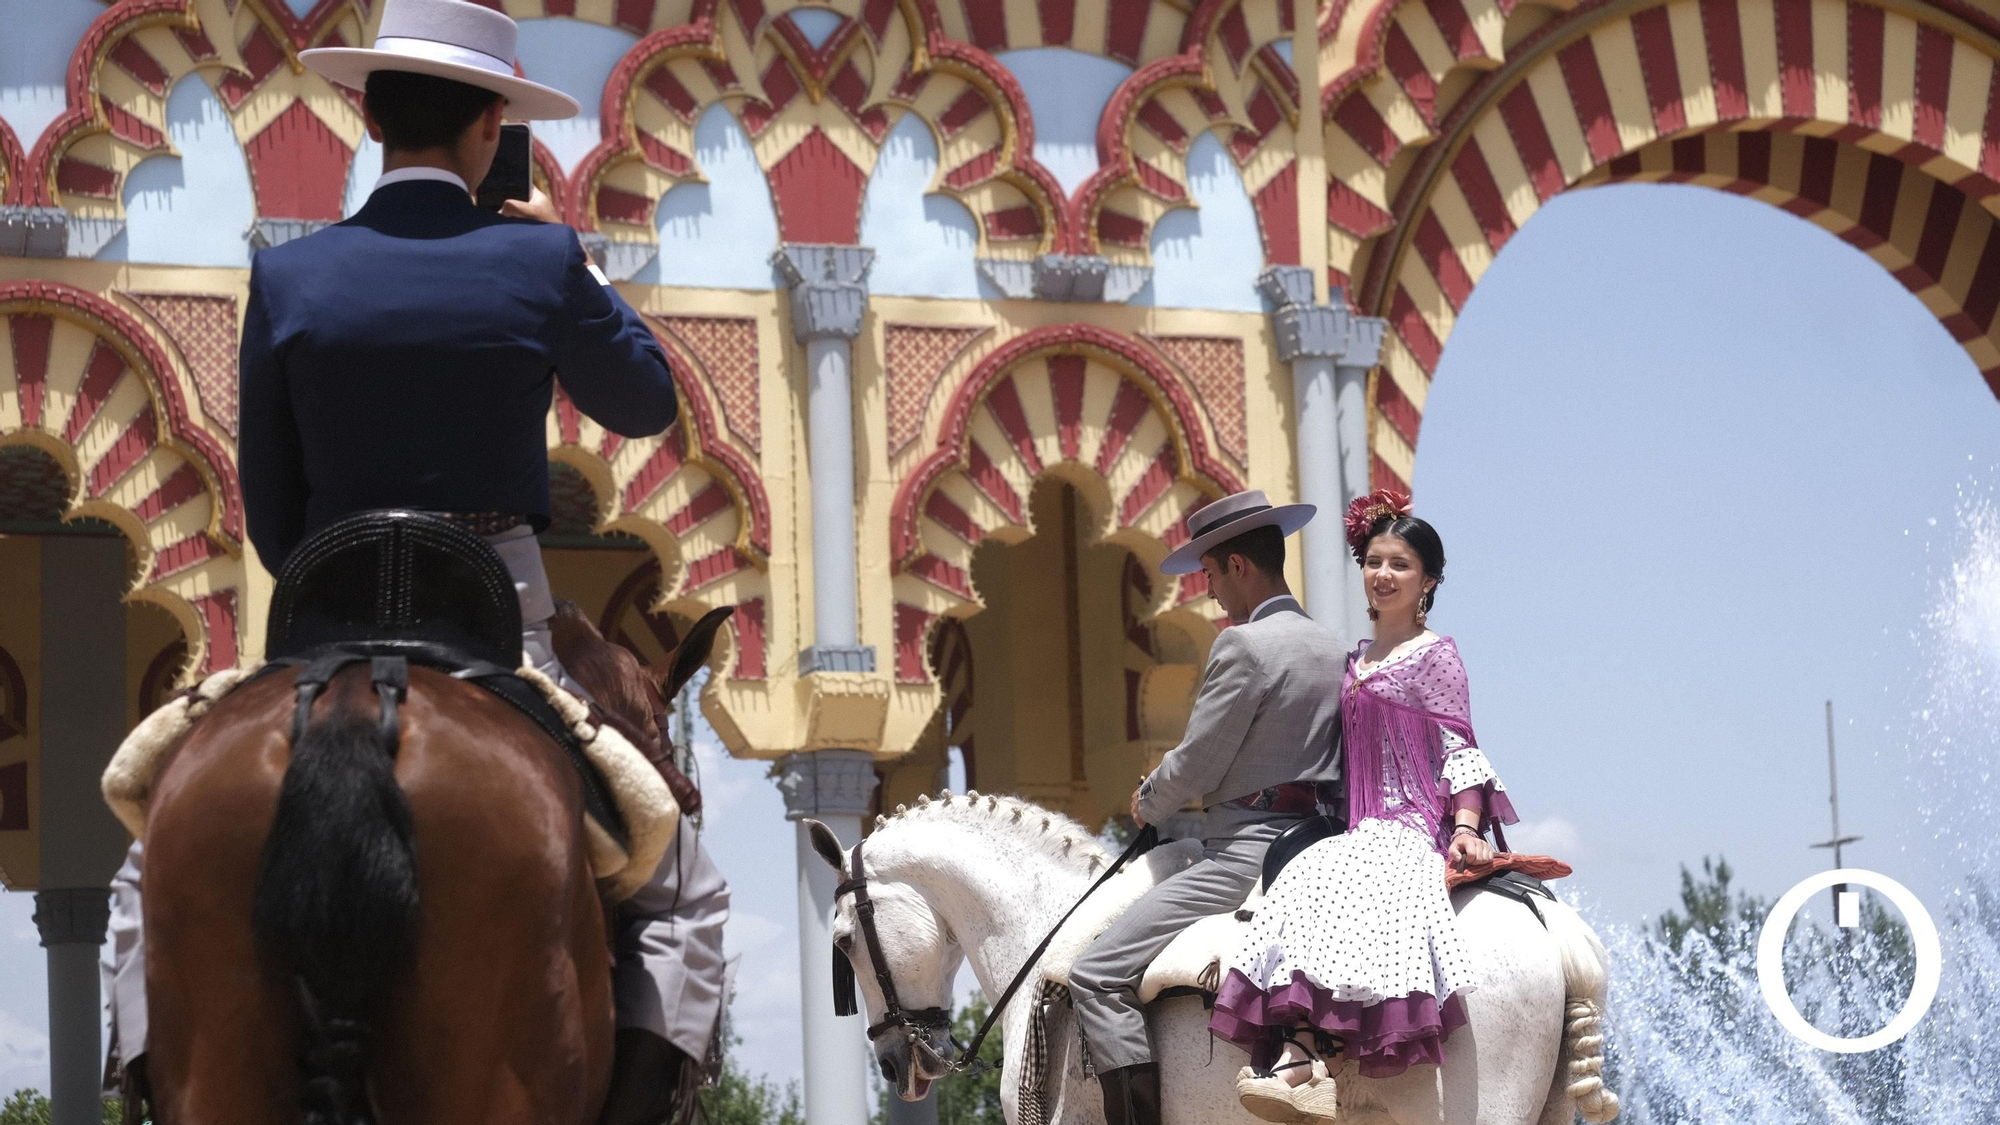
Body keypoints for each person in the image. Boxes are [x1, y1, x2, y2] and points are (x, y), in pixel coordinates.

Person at [105, 2, 704, 1120]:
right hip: (501, 622)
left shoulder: (289, 278)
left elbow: (273, 514)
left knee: (149, 867)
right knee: (682, 885)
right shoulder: (536, 261)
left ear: (370, 115)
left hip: (321, 617)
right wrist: (570, 261)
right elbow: (645, 401)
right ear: (491, 128)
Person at [1207, 490, 1519, 1123]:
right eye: (1374, 561)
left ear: (1428, 580)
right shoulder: (1354, 661)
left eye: (1400, 565)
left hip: (1410, 823)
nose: (1383, 575)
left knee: (1339, 873)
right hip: (1354, 820)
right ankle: (1299, 1052)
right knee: (1301, 872)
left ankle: (1305, 1055)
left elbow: (1459, 746)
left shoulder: (1437, 656)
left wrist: (1464, 826)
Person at [1068, 489, 1348, 1125]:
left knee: (1096, 974)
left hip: (1246, 854)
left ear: (1240, 568)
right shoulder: (1333, 648)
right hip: (1320, 845)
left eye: (1212, 574)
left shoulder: (1243, 646)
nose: (1214, 593)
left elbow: (1198, 761)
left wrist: (1148, 799)